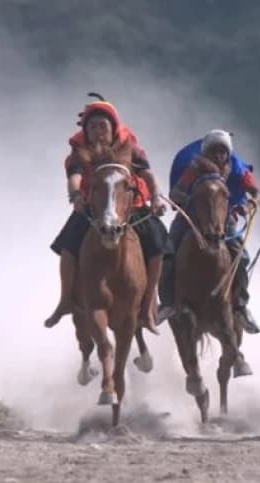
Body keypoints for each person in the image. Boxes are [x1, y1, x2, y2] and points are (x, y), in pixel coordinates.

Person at [46, 94, 168, 334]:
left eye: (103, 126)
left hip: (132, 206)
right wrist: (76, 196)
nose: (97, 131)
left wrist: (155, 198)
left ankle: (147, 304)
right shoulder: (80, 150)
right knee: (68, 246)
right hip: (93, 208)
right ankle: (65, 300)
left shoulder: (130, 147)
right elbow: (75, 176)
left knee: (158, 243)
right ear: (85, 130)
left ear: (113, 128)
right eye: (92, 127)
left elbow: (148, 176)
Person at [159, 129, 260, 334]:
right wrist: (188, 201)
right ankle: (168, 302)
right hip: (190, 218)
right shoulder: (194, 168)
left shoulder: (237, 168)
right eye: (214, 151)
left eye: (222, 152)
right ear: (206, 152)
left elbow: (256, 193)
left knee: (241, 257)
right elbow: (175, 192)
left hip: (224, 219)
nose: (218, 156)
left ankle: (240, 306)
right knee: (168, 252)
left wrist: (247, 206)